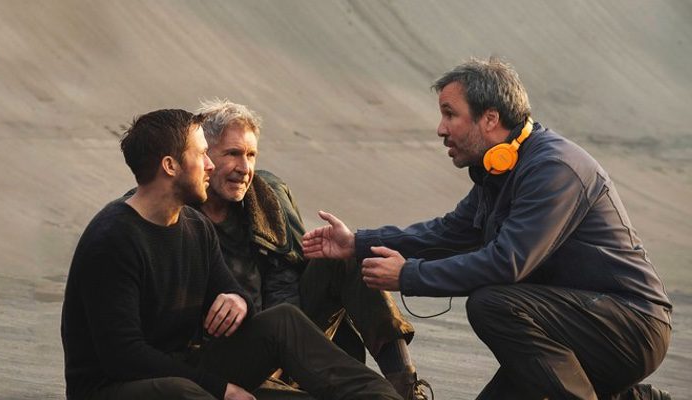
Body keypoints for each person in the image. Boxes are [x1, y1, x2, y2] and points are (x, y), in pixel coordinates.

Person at [302, 58, 673, 400]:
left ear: (490, 119)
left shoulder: (554, 169)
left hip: (630, 326)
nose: (440, 129)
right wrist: (358, 243)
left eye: (450, 115)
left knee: (492, 304)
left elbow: (506, 263)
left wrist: (409, 275)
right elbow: (446, 234)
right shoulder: (497, 171)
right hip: (571, 326)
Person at [60, 108, 402, 400]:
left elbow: (234, 293)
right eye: (201, 154)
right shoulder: (113, 239)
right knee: (185, 392)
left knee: (282, 321)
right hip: (119, 387)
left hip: (188, 369)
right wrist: (220, 388)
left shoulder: (195, 225)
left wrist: (237, 301)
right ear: (170, 165)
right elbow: (123, 356)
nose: (209, 166)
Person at [195, 99, 431, 400]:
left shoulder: (265, 198)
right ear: (204, 156)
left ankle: (407, 388)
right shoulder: (181, 214)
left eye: (251, 155)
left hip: (283, 327)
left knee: (346, 257)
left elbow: (284, 277)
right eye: (232, 154)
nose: (244, 168)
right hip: (230, 354)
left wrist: (289, 345)